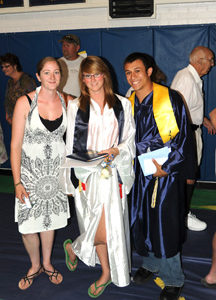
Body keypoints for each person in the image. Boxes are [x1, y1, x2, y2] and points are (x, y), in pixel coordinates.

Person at [60, 56, 135, 297]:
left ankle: (80, 251)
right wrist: (71, 177)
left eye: (96, 74)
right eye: (87, 76)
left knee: (109, 225)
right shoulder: (76, 107)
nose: (92, 80)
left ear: (105, 75)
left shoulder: (123, 104)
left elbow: (129, 141)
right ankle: (103, 268)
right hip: (88, 174)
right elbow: (70, 144)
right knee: (100, 225)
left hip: (113, 173)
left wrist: (118, 151)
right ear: (82, 79)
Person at [124, 52, 196, 300]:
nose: (132, 77)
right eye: (128, 72)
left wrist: (169, 165)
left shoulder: (168, 98)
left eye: (137, 71)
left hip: (164, 174)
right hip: (138, 173)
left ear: (150, 71)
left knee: (164, 224)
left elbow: (181, 138)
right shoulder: (129, 101)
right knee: (140, 220)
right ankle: (150, 263)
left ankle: (174, 278)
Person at [10, 56, 71, 290]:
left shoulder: (67, 100)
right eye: (47, 72)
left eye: (56, 72)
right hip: (29, 176)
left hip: (55, 176)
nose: (52, 77)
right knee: (27, 226)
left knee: (49, 222)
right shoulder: (25, 102)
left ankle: (46, 263)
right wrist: (17, 182)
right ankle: (34, 265)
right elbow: (15, 144)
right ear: (38, 76)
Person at [171, 46, 215, 231]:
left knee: (189, 176)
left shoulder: (193, 79)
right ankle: (181, 216)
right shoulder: (186, 79)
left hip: (192, 131)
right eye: (210, 60)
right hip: (185, 135)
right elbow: (175, 112)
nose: (212, 64)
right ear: (199, 61)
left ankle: (182, 213)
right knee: (187, 177)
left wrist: (202, 119)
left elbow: (188, 107)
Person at [0, 53, 37, 125]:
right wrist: (7, 116)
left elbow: (34, 102)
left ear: (15, 66)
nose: (4, 69)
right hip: (14, 121)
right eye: (2, 67)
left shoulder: (27, 80)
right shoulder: (10, 82)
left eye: (7, 66)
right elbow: (7, 100)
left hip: (27, 122)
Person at [58, 33, 86, 98]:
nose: (65, 48)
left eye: (68, 45)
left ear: (77, 48)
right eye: (63, 45)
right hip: (60, 102)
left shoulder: (85, 63)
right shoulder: (57, 63)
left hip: (78, 102)